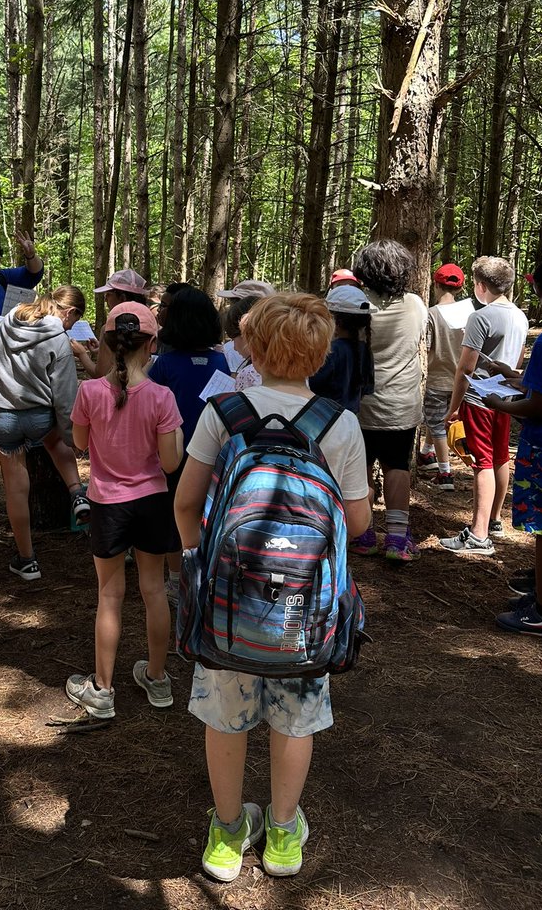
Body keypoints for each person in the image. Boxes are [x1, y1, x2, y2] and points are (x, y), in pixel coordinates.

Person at [175, 293, 371, 881]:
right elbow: (359, 523)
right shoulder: (339, 423)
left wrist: (200, 566)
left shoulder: (225, 410)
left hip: (227, 603)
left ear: (252, 348)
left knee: (224, 719)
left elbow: (186, 503)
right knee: (295, 720)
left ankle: (229, 834)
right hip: (305, 610)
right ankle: (284, 834)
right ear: (319, 353)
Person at [66, 302, 183, 719]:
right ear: (151, 345)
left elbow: (79, 443)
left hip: (107, 504)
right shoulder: (162, 397)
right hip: (152, 502)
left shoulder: (89, 392)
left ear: (110, 343)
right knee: (154, 591)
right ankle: (157, 678)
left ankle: (102, 689)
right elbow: (171, 464)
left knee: (109, 595)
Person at [0, 296, 90, 580]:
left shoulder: (5, 323)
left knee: (16, 490)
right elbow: (66, 396)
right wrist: (73, 437)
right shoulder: (59, 340)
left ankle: (27, 560)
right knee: (56, 442)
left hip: (4, 414)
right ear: (65, 312)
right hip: (40, 414)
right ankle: (77, 492)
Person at [441, 256, 529, 555]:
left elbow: (465, 368)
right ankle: (492, 521)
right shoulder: (520, 316)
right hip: (506, 398)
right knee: (501, 456)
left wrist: (453, 407)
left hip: (479, 399)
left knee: (483, 462)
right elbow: (514, 364)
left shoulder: (481, 317)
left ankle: (478, 535)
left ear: (480, 285)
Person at [148, 286, 228, 603]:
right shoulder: (222, 363)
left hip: (175, 456)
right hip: (214, 456)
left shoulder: (164, 367)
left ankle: (175, 579)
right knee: (206, 513)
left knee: (173, 516)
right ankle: (204, 572)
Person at [351, 240, 427, 562]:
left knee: (361, 467)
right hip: (401, 404)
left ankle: (364, 534)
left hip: (361, 404)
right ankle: (397, 538)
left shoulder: (355, 305)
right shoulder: (415, 305)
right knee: (397, 466)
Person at [483, 258, 542, 634]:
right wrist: (513, 377)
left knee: (541, 530)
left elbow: (540, 404)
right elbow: (537, 388)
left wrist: (500, 404)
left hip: (540, 448)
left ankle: (539, 611)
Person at [417, 264, 473, 491]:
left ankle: (445, 472)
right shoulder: (470, 312)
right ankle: (426, 453)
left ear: (435, 284)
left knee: (438, 424)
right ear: (461, 287)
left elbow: (426, 347)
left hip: (437, 378)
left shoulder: (431, 314)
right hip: (462, 381)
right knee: (437, 419)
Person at [308, 284, 376, 414]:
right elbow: (367, 389)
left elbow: (310, 385)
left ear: (334, 320)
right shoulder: (365, 350)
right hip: (350, 419)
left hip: (323, 419)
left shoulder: (330, 351)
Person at [92, 269, 151, 377]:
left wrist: (81, 354)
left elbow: (100, 374)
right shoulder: (150, 325)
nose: (105, 299)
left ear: (122, 298)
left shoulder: (109, 329)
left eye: (108, 294)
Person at [223, 293, 270, 391]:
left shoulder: (249, 373)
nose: (235, 347)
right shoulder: (294, 369)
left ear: (245, 334)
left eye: (233, 339)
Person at [51, 284, 100, 377]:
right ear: (70, 312)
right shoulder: (60, 340)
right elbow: (64, 384)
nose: (70, 328)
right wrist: (82, 354)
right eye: (75, 321)